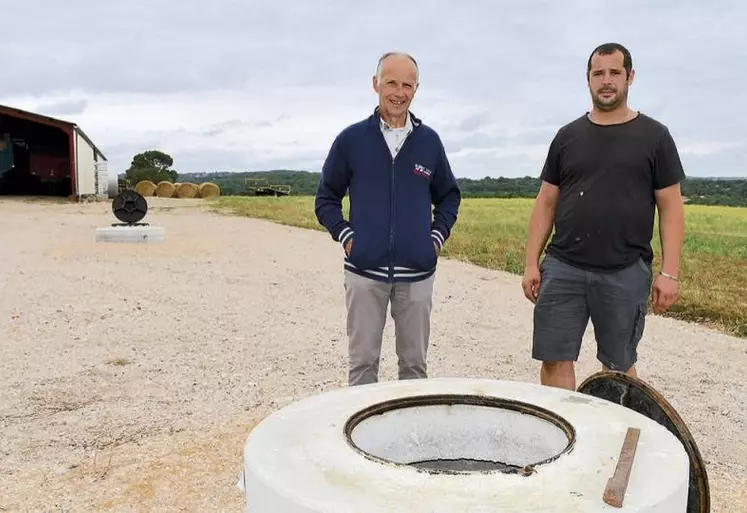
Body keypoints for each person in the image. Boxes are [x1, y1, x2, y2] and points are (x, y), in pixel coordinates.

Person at [521, 42, 686, 391]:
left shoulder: (655, 137)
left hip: (625, 270)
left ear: (630, 77)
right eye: (599, 73)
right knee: (554, 359)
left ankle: (616, 440)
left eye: (615, 72)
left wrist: (669, 272)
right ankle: (565, 437)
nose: (606, 81)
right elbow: (546, 201)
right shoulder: (567, 137)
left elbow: (671, 206)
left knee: (619, 366)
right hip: (564, 265)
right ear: (588, 80)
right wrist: (531, 263)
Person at [314, 51, 461, 386]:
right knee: (363, 365)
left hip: (418, 275)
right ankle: (360, 438)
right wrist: (348, 238)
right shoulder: (351, 140)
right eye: (391, 82)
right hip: (364, 274)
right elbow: (325, 199)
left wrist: (434, 240)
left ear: (416, 89)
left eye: (407, 84)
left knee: (414, 368)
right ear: (375, 84)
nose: (398, 91)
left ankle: (408, 437)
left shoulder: (429, 142)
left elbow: (449, 196)